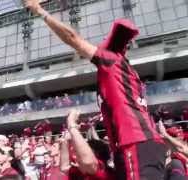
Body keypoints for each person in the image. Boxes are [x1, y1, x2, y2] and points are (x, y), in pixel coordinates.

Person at [24, 1, 167, 179]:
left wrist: (39, 11)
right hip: (141, 144)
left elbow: (72, 37)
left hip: (136, 142)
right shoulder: (128, 75)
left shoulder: (111, 60)